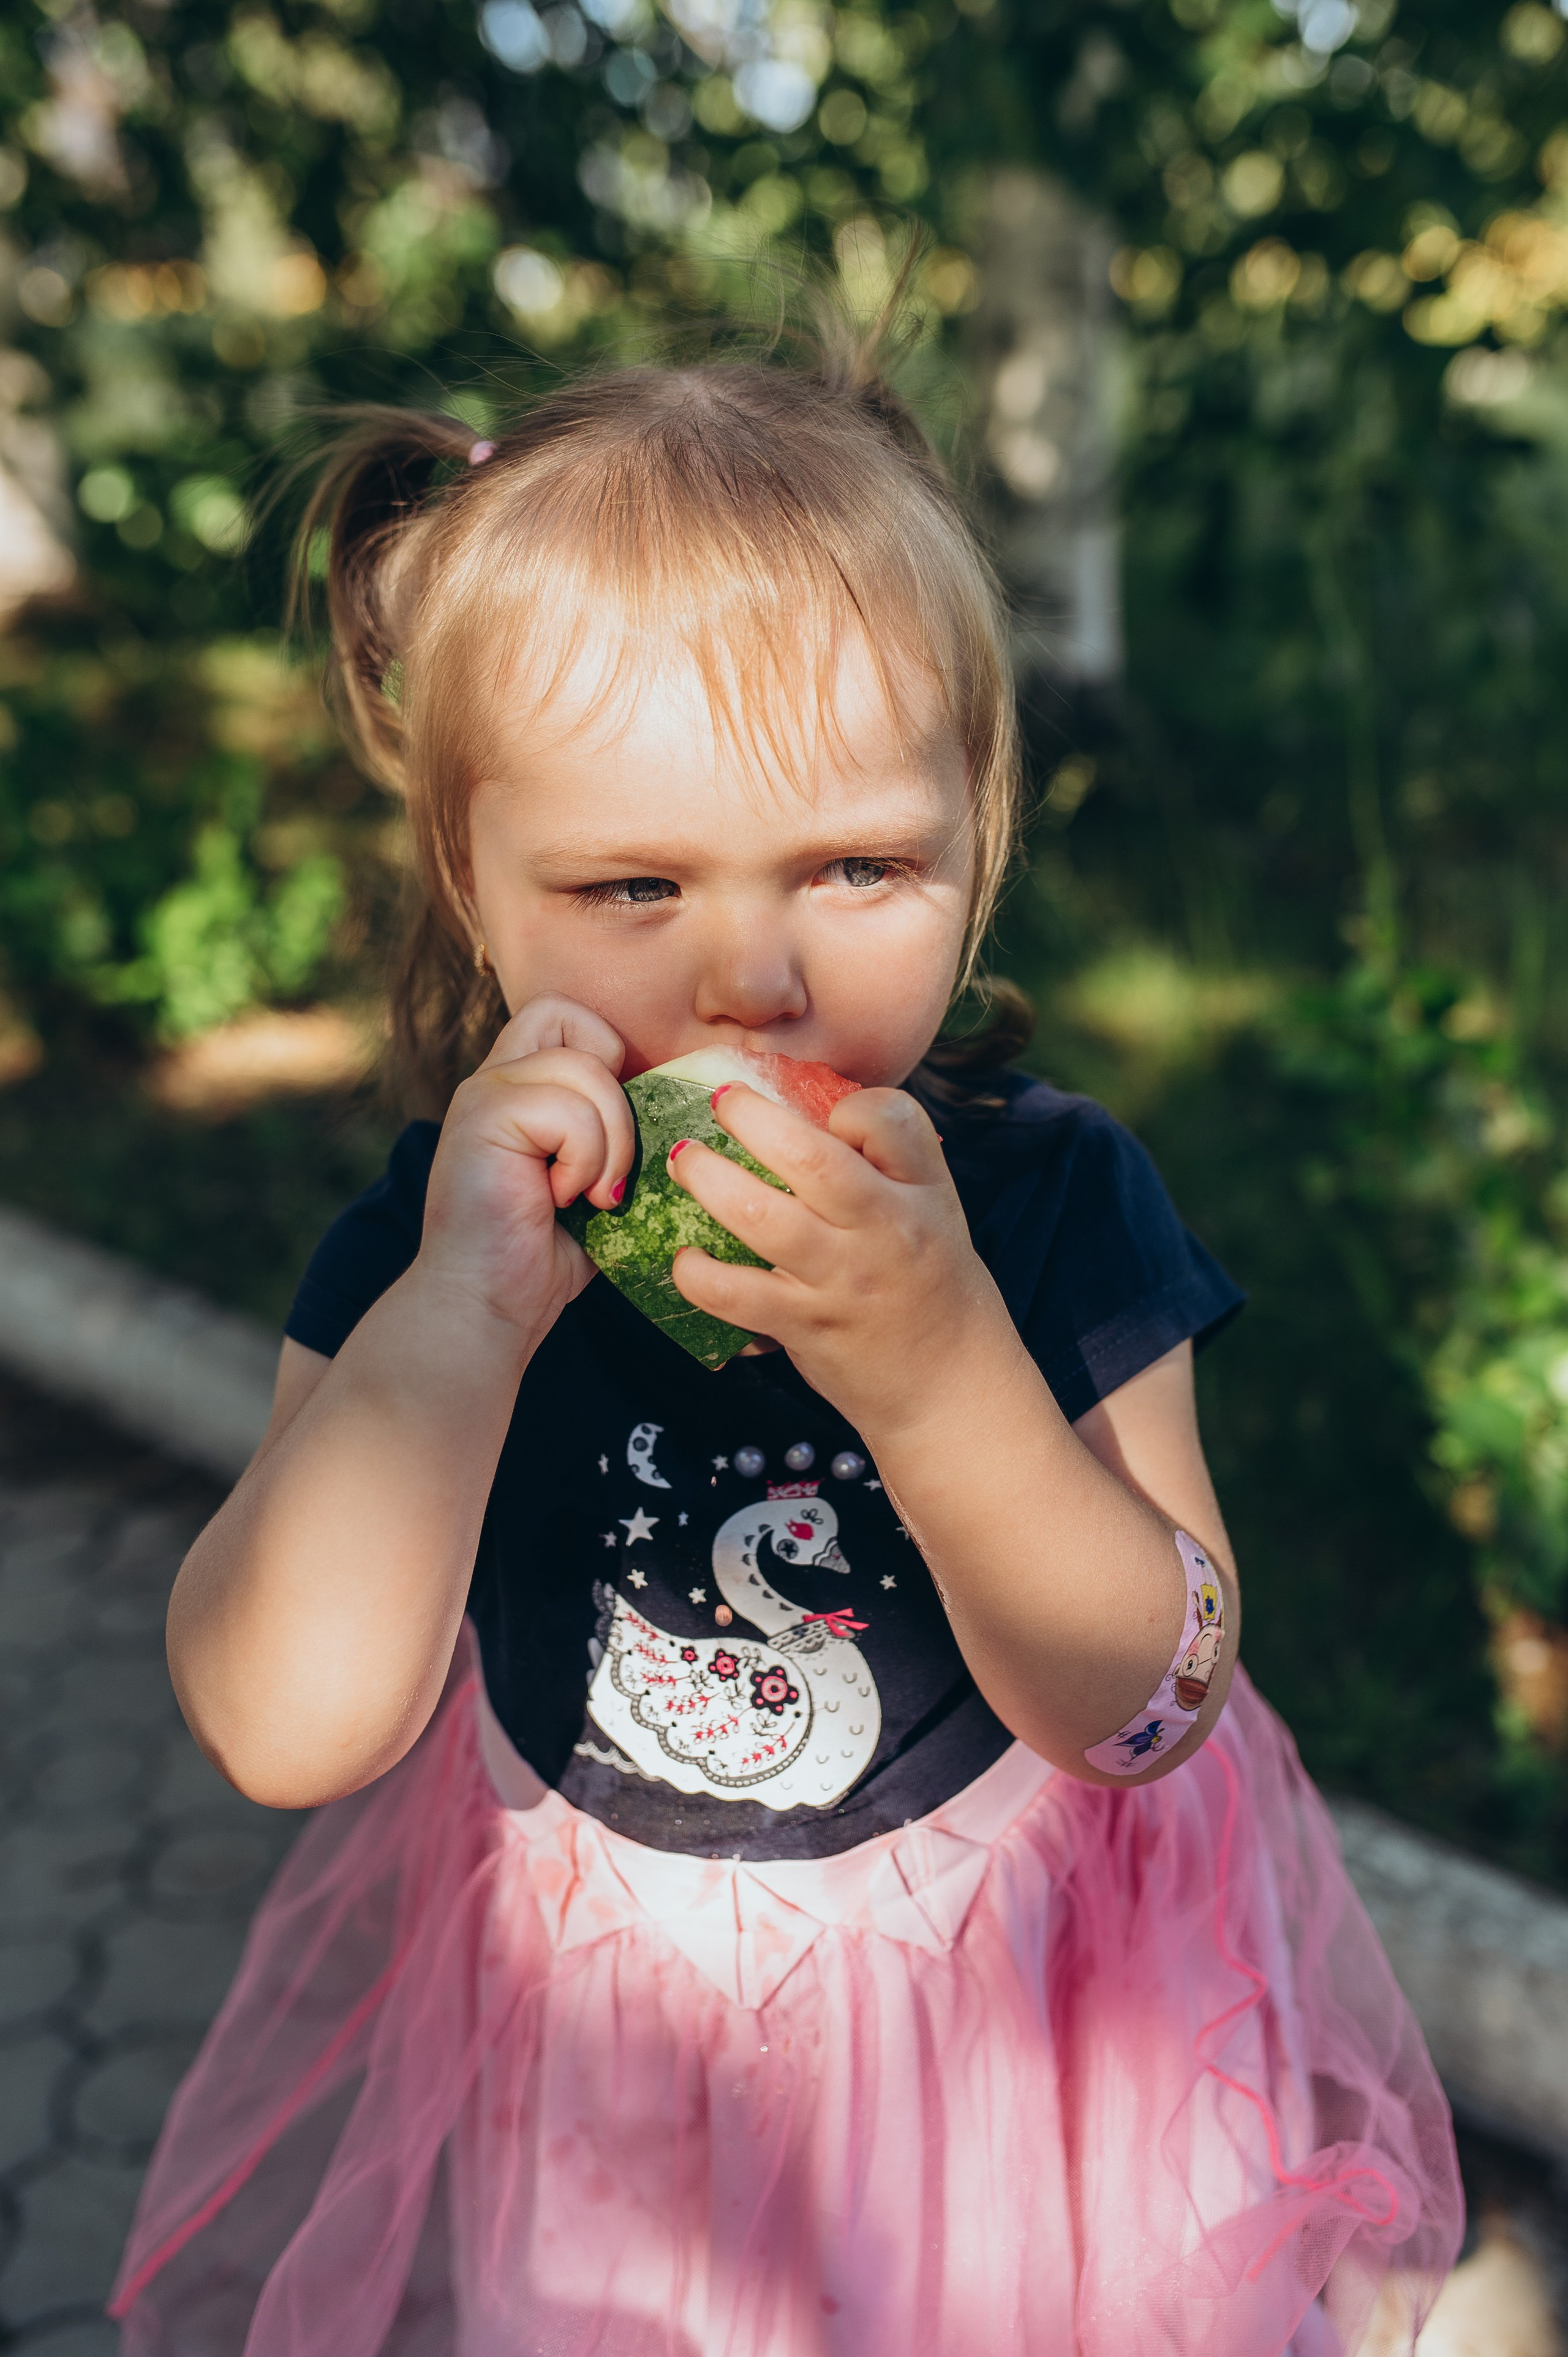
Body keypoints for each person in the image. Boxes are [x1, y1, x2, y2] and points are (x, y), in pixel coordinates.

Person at [111, 325, 1462, 2356]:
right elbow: (278, 1727)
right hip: (619, 2070)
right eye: (631, 881)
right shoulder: (435, 1244)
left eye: (857, 865)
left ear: (977, 830)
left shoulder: (1051, 1206)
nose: (752, 972)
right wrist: (458, 1329)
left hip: (1010, 2049)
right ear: (479, 888)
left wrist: (942, 1376)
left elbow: (1158, 1703)